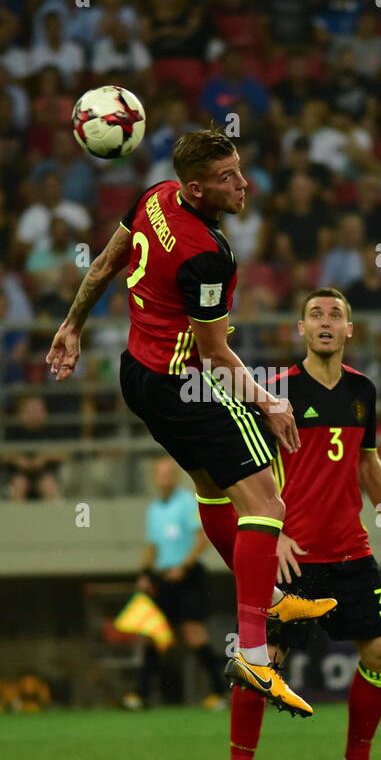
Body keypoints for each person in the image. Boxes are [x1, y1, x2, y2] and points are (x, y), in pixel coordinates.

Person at [45, 129, 334, 719]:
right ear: (197, 187)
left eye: (240, 169)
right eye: (229, 177)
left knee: (211, 488)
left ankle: (272, 600)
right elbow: (214, 355)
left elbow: (105, 262)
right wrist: (267, 402)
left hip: (139, 378)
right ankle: (254, 650)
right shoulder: (208, 253)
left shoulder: (155, 197)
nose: (243, 182)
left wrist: (72, 323)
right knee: (266, 504)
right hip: (188, 384)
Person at [228, 288, 381, 760]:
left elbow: (366, 460)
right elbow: (242, 471)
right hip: (292, 556)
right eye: (316, 315)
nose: (326, 322)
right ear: (301, 329)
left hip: (351, 552)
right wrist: (275, 531)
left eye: (336, 315)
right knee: (260, 661)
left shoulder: (363, 390)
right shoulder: (274, 393)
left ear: (350, 330)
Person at [126, 457, 227, 710]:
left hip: (188, 576)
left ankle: (221, 692)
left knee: (194, 634)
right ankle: (142, 695)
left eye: (169, 473)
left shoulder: (187, 502)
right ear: (154, 478)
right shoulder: (154, 509)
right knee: (151, 635)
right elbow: (152, 546)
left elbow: (201, 537)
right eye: (160, 473)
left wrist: (183, 567)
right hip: (163, 578)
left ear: (176, 476)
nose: (165, 478)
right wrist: (144, 573)